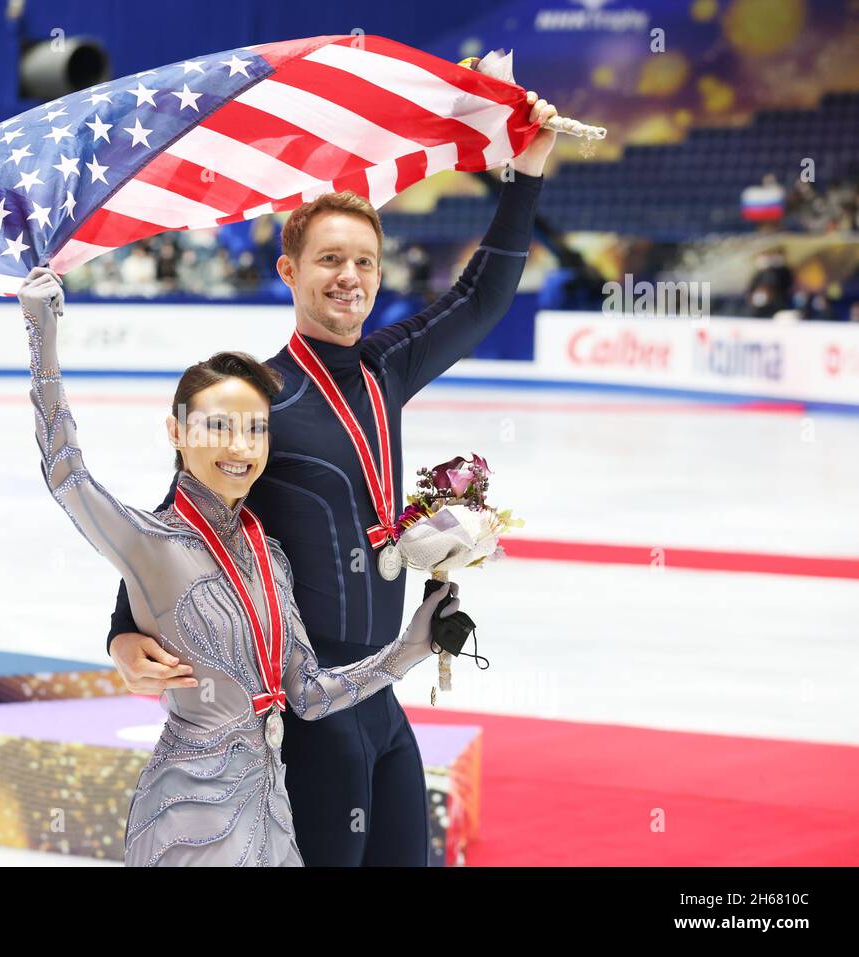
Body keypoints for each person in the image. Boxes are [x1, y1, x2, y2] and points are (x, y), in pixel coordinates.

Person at [105, 90, 559, 866]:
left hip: (381, 699)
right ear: (289, 269)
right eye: (329, 259)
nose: (348, 277)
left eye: (363, 262)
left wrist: (525, 174)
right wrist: (123, 628)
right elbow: (179, 515)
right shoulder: (260, 397)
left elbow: (482, 295)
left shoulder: (387, 367)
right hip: (309, 711)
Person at [18, 266, 461, 866]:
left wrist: (411, 646)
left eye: (255, 429)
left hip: (272, 812)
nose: (241, 446)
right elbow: (66, 473)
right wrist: (40, 329)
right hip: (187, 815)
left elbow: (305, 695)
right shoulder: (149, 539)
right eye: (219, 427)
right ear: (177, 432)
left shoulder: (268, 554)